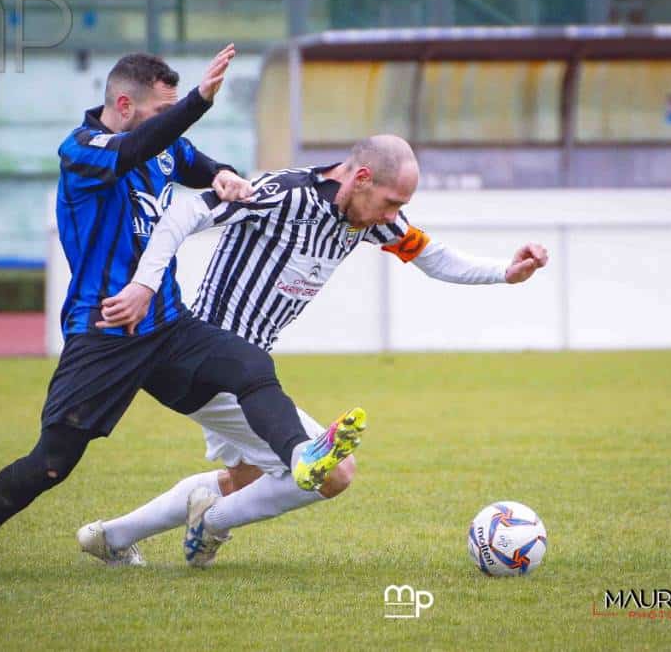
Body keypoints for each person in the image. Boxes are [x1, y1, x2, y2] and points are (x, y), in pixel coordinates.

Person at [0, 47, 362, 582]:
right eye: (161, 110)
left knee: (249, 364)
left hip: (167, 326)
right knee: (51, 463)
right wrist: (199, 100)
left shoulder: (162, 145)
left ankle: (300, 455)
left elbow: (191, 160)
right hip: (105, 331)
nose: (167, 121)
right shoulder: (83, 149)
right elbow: (141, 146)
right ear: (123, 103)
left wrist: (224, 175)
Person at [79, 134, 549, 568]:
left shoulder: (367, 221)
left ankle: (110, 539)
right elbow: (184, 214)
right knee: (334, 471)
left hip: (247, 371)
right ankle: (212, 523)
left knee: (245, 480)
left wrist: (505, 272)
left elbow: (433, 257)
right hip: (211, 360)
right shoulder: (282, 194)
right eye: (391, 203)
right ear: (362, 178)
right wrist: (145, 284)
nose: (393, 216)